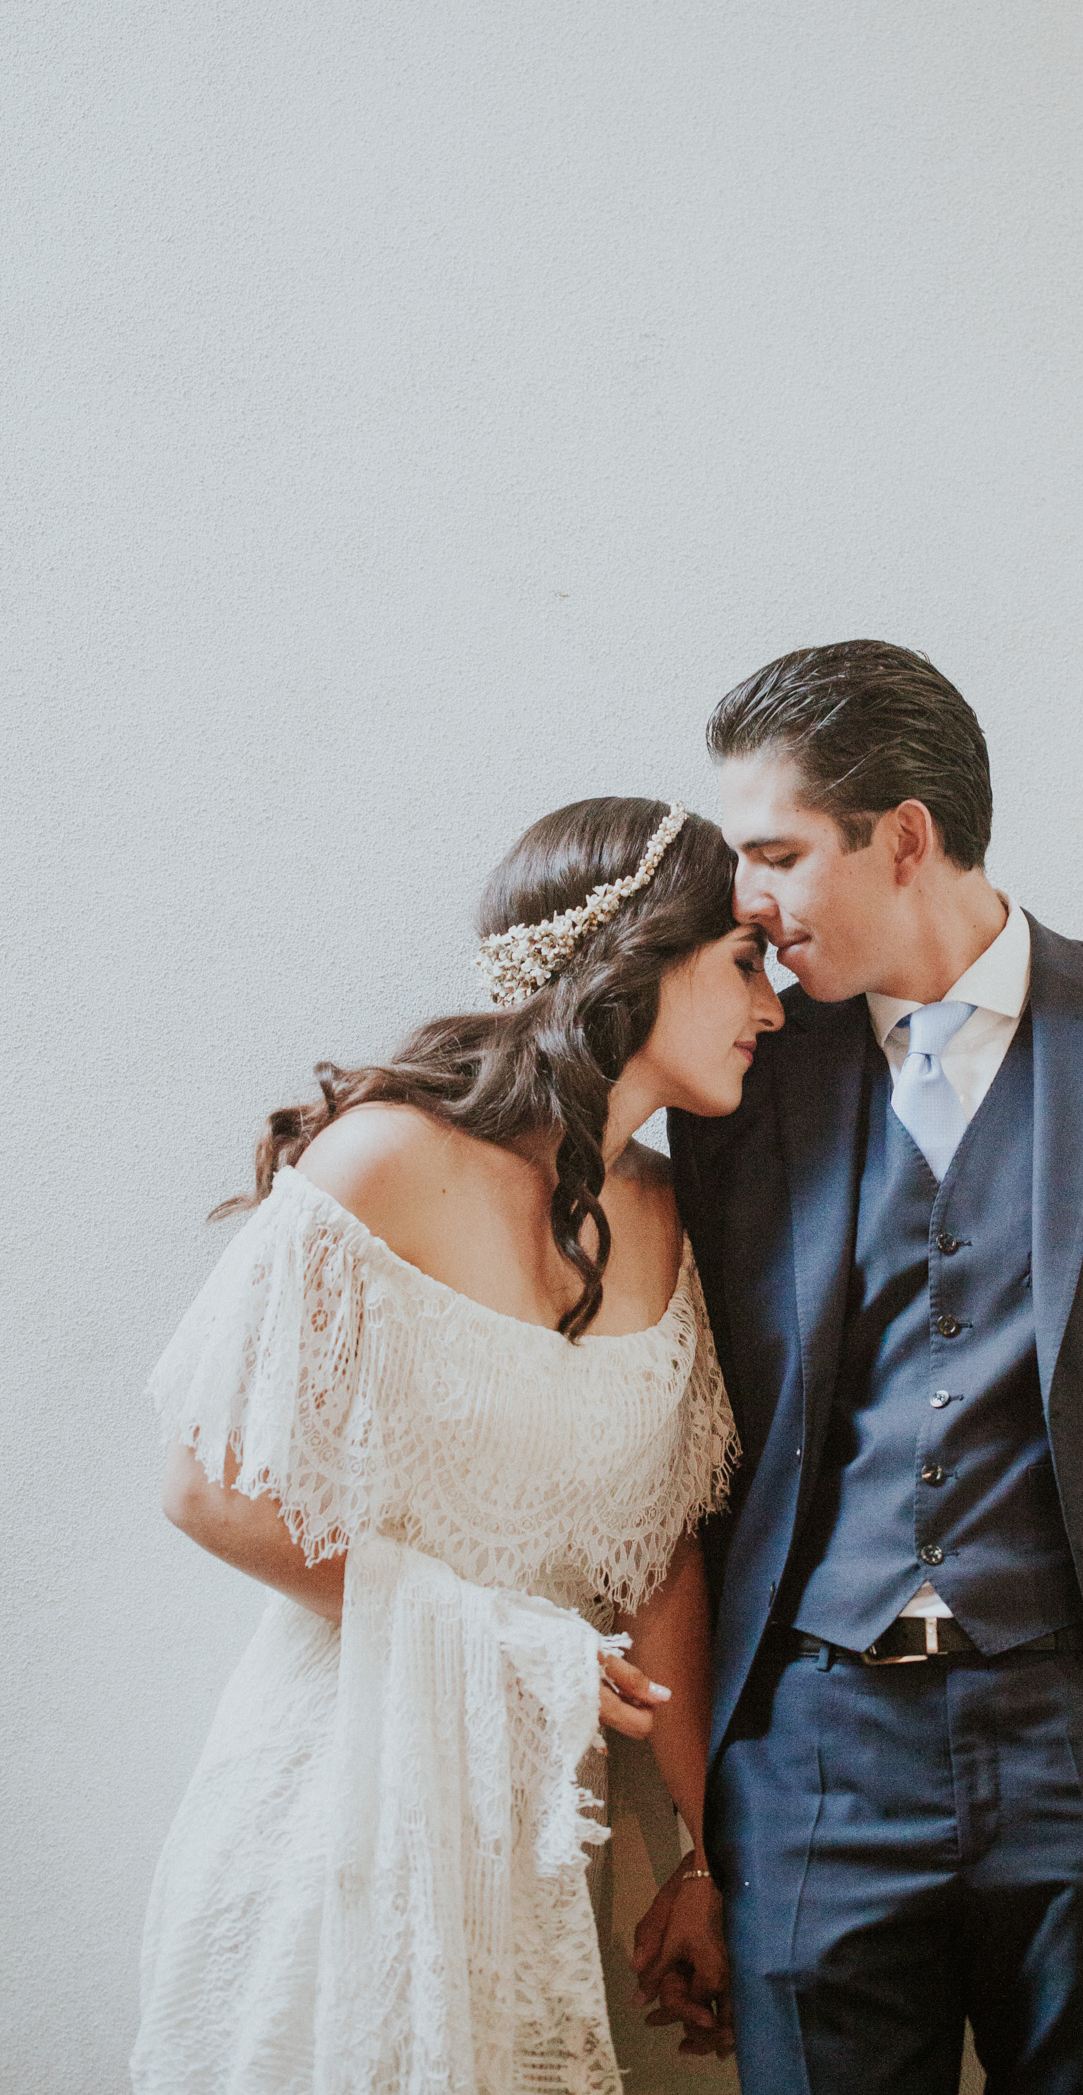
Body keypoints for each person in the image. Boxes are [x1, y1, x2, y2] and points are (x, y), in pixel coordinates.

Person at [641, 643, 1083, 2094]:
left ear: (904, 836)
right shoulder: (741, 1078)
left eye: (781, 852)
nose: (752, 902)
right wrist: (717, 1809)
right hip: (811, 1762)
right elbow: (696, 1440)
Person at [133, 797, 771, 2095]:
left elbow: (656, 1569)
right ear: (638, 956)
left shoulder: (667, 1217)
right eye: (746, 961)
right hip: (337, 1802)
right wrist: (505, 1643)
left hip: (528, 1845)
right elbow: (205, 1489)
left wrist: (706, 1860)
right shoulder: (387, 1158)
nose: (773, 1005)